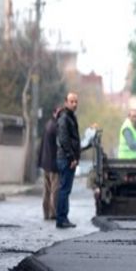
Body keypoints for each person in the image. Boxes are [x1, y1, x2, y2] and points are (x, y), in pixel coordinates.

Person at [55, 92, 86, 229]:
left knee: (65, 190)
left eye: (76, 101)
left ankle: (63, 218)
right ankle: (61, 219)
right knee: (64, 190)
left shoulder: (70, 117)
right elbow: (64, 139)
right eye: (72, 101)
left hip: (68, 158)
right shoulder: (64, 118)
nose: (74, 104)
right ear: (66, 102)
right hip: (66, 159)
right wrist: (71, 157)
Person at [37, 107, 61, 220]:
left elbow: (42, 145)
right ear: (54, 113)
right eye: (59, 113)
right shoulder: (56, 127)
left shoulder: (48, 125)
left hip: (45, 163)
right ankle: (53, 213)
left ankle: (45, 213)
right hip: (53, 164)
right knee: (54, 189)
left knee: (46, 190)